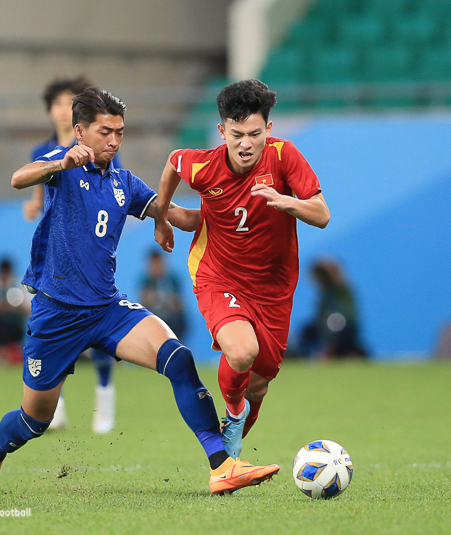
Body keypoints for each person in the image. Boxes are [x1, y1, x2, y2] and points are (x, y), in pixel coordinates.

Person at [0, 87, 280, 496]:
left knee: (179, 359)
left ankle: (222, 465)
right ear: (80, 131)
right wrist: (62, 162)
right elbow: (18, 179)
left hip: (107, 309)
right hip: (56, 314)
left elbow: (177, 214)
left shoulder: (124, 181)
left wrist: (235, 211)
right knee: (35, 420)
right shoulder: (63, 164)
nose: (114, 141)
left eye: (119, 132)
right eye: (105, 132)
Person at [153, 79, 330, 459]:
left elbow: (322, 214)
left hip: (274, 288)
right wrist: (162, 218)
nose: (246, 144)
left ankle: (230, 456)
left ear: (269, 128)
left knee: (259, 385)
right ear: (222, 131)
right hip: (218, 275)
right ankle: (233, 417)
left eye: (254, 134)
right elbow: (172, 162)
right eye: (236, 135)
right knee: (242, 351)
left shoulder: (284, 155)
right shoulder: (204, 165)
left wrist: (287, 202)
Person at [24, 75, 122, 434]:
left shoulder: (99, 146)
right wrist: (33, 205)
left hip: (92, 251)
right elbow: (38, 190)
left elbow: (113, 189)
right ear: (50, 111)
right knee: (52, 331)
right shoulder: (43, 151)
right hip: (55, 251)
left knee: (100, 328)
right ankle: (57, 406)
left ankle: (104, 395)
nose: (63, 110)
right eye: (58, 104)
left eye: (70, 103)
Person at [295, 259, 367, 359]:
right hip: (326, 325)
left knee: (334, 328)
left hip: (344, 327)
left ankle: (332, 354)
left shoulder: (341, 289)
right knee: (307, 331)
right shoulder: (324, 291)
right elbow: (320, 314)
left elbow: (342, 314)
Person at [139, 249, 187, 340]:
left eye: (159, 264)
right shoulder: (146, 282)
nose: (157, 267)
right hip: (154, 317)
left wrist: (168, 301)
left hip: (171, 318)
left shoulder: (172, 280)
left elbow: (179, 303)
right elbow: (142, 302)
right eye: (154, 264)